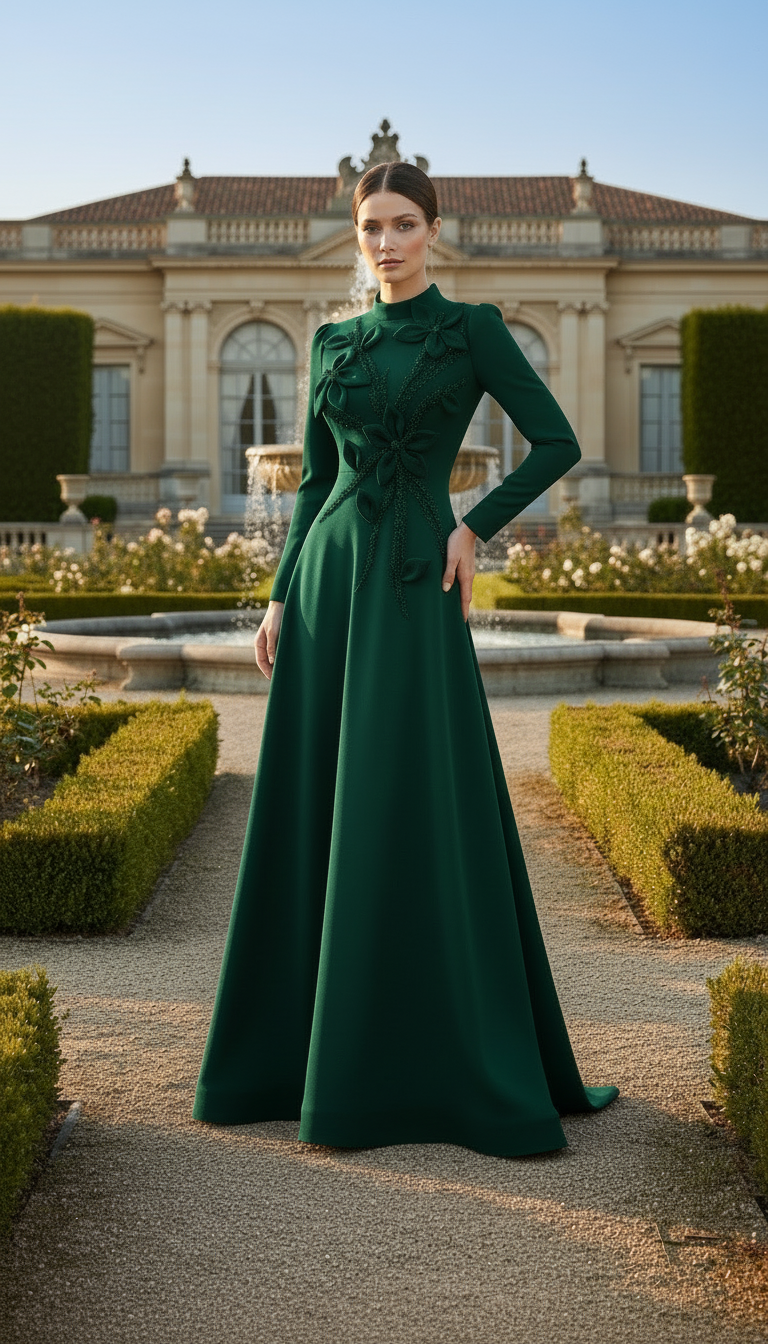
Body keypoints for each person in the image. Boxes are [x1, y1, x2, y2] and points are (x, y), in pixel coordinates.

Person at [193, 161, 618, 1155]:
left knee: (409, 795)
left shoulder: (470, 329)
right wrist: (278, 593)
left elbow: (555, 444)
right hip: (331, 585)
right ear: (357, 235)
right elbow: (313, 486)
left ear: (434, 230)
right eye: (371, 226)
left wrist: (478, 526)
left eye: (403, 224)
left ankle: (424, 1058)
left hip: (418, 579)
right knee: (319, 802)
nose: (384, 241)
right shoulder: (333, 340)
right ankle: (293, 1060)